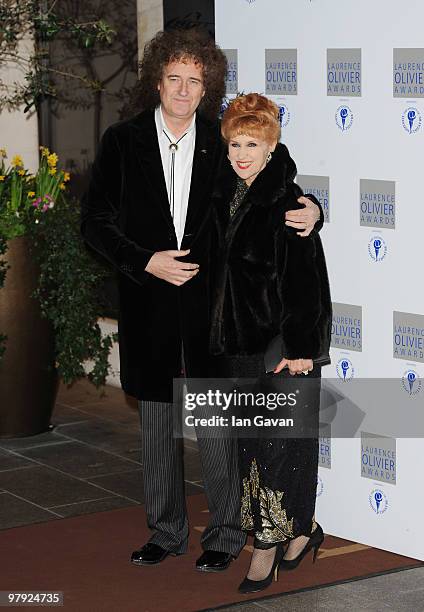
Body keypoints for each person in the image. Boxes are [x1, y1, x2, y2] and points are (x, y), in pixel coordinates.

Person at [81, 28, 323, 572]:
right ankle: (165, 531)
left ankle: (226, 531)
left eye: (196, 81)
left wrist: (313, 211)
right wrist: (145, 260)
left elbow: (275, 178)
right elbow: (94, 222)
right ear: (157, 81)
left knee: (217, 426)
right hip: (148, 303)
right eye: (175, 79)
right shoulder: (123, 141)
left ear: (207, 86)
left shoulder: (223, 141)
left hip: (213, 312)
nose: (185, 90)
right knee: (158, 427)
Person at [209, 93, 332, 593]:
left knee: (281, 449)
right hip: (238, 346)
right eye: (235, 142)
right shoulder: (223, 194)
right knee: (253, 449)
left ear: (271, 144)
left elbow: (306, 284)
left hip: (282, 347)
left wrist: (300, 348)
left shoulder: (287, 203)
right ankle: (302, 530)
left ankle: (267, 548)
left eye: (252, 143)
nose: (242, 152)